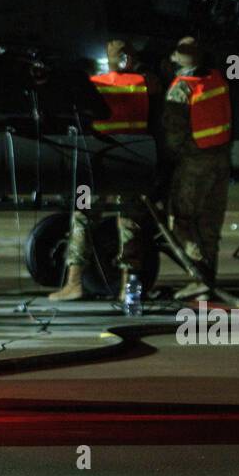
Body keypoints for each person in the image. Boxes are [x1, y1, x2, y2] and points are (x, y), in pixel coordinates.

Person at [49, 40, 158, 303]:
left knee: (83, 218)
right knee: (130, 224)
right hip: (131, 163)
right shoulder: (144, 83)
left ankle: (74, 283)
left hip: (97, 162)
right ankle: (128, 288)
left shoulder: (95, 83)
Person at [162, 36, 232, 299]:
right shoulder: (216, 79)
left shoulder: (181, 88)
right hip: (221, 161)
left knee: (181, 220)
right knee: (209, 224)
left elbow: (173, 136)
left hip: (194, 163)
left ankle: (199, 276)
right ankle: (208, 285)